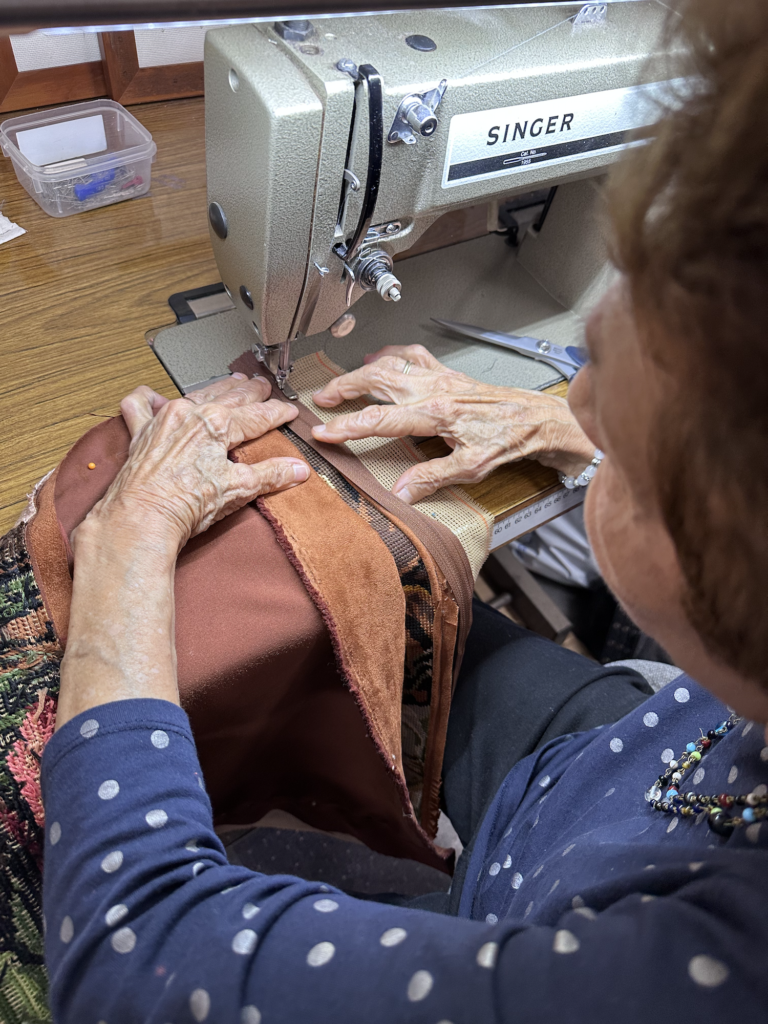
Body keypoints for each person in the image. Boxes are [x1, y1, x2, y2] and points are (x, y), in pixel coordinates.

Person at [41, 2, 768, 1020]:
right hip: (648, 741)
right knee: (395, 618)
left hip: (585, 844)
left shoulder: (688, 975)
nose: (580, 394)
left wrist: (127, 536)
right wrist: (558, 425)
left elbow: (133, 958)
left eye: (611, 383)